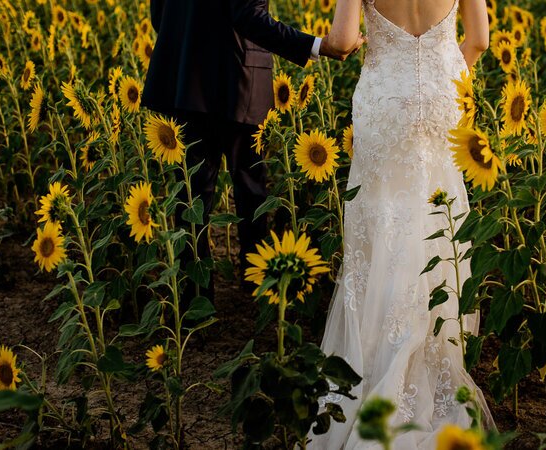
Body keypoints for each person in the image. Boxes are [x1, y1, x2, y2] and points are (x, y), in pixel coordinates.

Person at [307, 0, 493, 448]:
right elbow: (480, 40)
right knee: (437, 211)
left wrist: (331, 45)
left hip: (383, 98)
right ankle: (434, 344)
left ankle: (378, 354)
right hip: (441, 93)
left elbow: (345, 40)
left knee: (384, 218)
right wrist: (446, 73)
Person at [141, 0, 364, 303]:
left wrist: (193, 41)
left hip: (185, 75)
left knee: (191, 197)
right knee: (251, 190)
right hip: (240, 75)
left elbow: (160, 13)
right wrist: (316, 46)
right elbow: (247, 15)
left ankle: (195, 304)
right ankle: (258, 289)